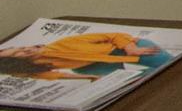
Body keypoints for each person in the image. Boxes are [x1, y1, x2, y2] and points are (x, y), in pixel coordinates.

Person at [0, 32, 164, 81]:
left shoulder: (64, 43)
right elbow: (55, 75)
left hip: (124, 49)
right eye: (19, 54)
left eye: (20, 47)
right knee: (143, 82)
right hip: (94, 65)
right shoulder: (40, 66)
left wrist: (131, 48)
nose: (26, 50)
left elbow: (113, 36)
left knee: (170, 67)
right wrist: (90, 76)